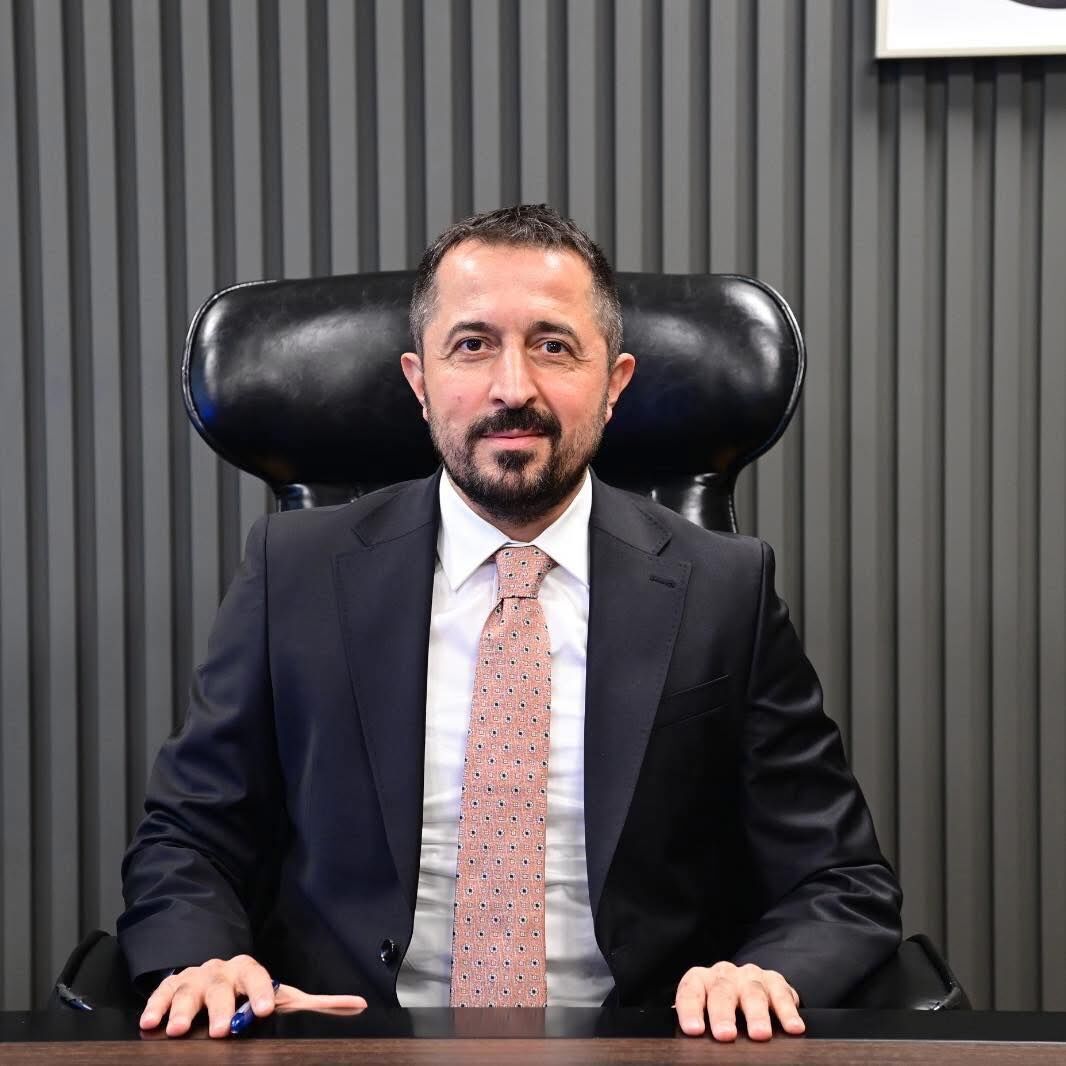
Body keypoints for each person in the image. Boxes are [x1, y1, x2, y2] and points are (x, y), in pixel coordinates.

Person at [119, 204, 902, 1042]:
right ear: (420, 382)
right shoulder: (295, 572)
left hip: (645, 1048)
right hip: (347, 1044)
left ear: (615, 383)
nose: (513, 388)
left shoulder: (724, 589)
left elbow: (839, 879)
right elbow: (188, 836)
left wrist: (761, 977)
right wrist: (205, 959)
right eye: (472, 345)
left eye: (554, 346)